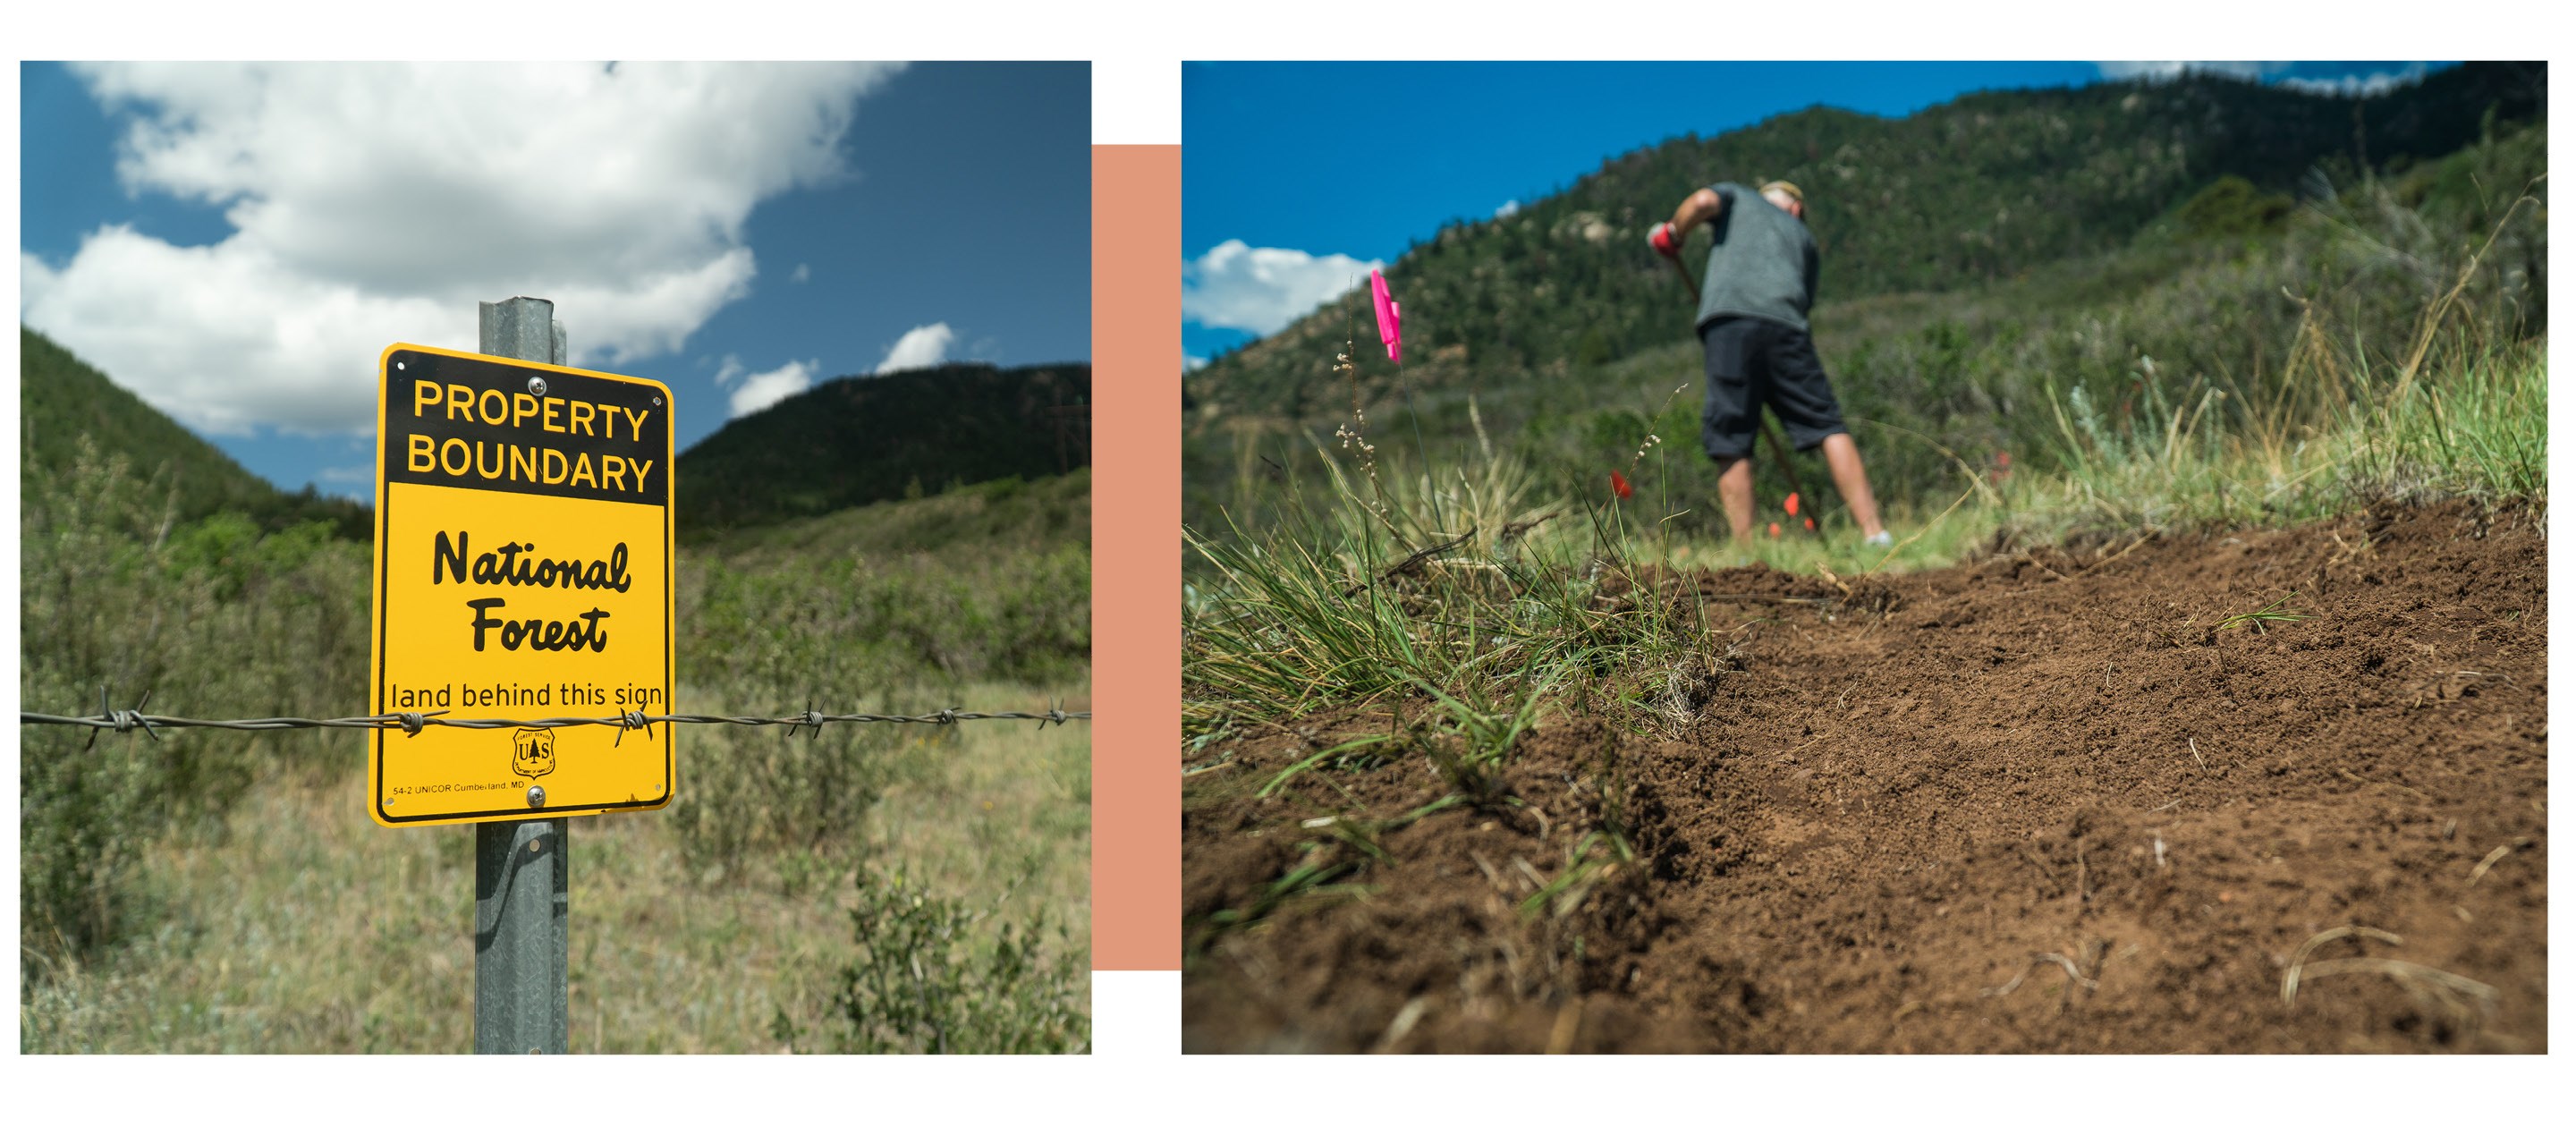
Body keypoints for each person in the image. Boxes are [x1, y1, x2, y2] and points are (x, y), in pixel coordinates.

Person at [1649, 179, 1891, 547]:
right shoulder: (1803, 238)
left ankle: (1746, 551)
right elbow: (1805, 300)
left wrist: (1673, 234)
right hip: (1787, 326)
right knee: (1826, 423)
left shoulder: (1737, 197)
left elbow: (1700, 201)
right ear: (1796, 209)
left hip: (1730, 322)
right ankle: (1875, 533)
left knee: (1731, 431)